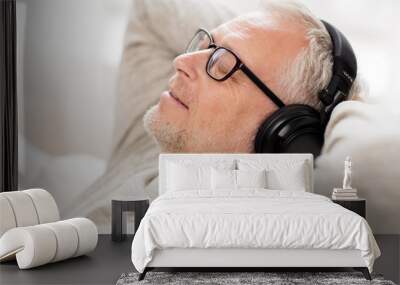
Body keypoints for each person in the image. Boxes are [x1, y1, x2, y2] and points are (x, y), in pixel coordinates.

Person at [143, 1, 361, 154]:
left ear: (281, 131)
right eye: (205, 45)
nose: (181, 61)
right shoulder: (141, 147)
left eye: (224, 65)